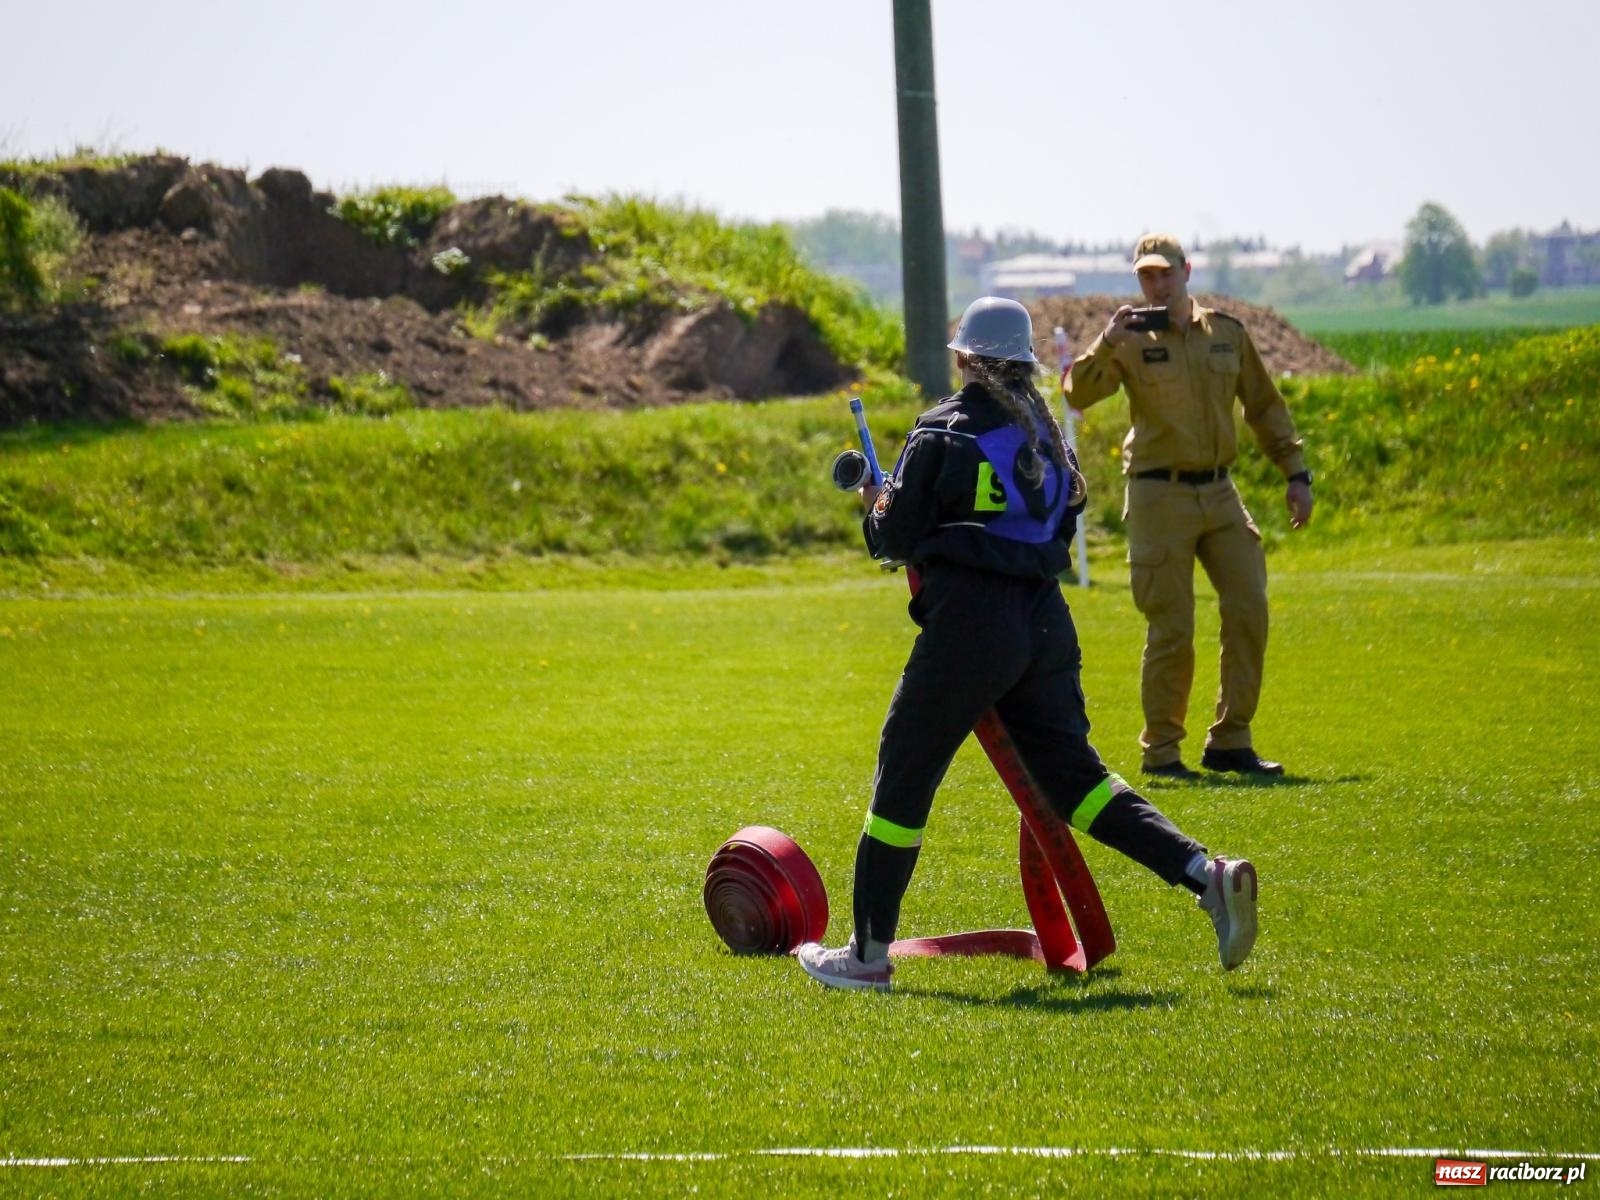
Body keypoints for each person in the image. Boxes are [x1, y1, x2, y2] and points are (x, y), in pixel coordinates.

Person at [797, 296, 1258, 993]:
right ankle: (1206, 874)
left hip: (969, 626)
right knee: (1076, 782)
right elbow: (1050, 519)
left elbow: (892, 538)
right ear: (1022, 362)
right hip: (1045, 621)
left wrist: (876, 503)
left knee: (904, 776)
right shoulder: (1046, 435)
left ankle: (866, 954)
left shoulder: (941, 428)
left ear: (964, 357)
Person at [1064, 234, 1313, 779]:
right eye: (1146, 276)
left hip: (1220, 491)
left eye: (1164, 273)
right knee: (1172, 626)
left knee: (1249, 607)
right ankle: (1162, 751)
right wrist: (1106, 341)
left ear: (1186, 271)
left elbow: (1264, 406)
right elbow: (1077, 394)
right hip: (1158, 494)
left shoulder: (1226, 333)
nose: (1156, 284)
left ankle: (1231, 739)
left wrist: (1295, 473)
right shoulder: (1128, 338)